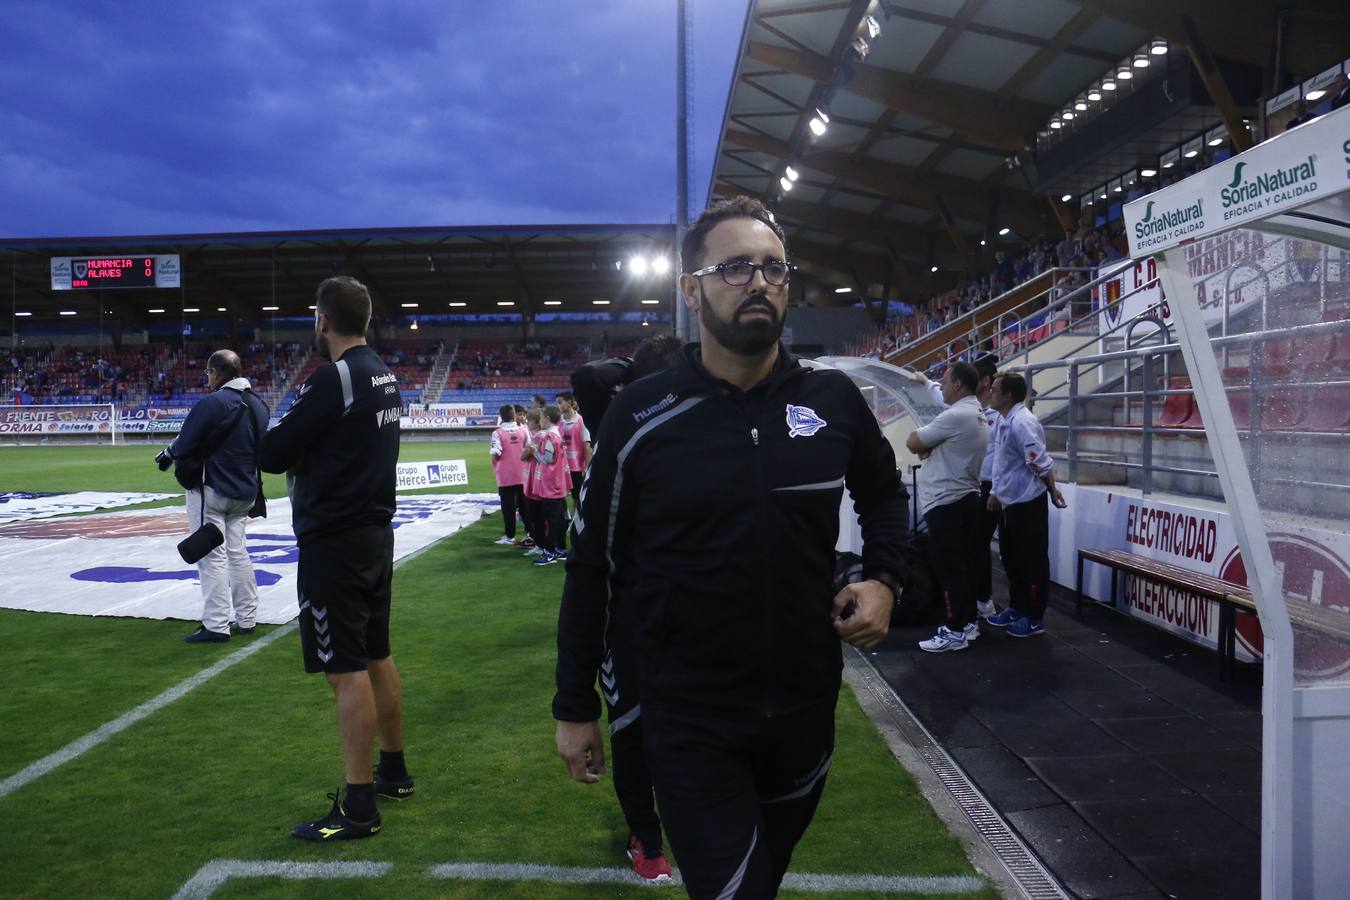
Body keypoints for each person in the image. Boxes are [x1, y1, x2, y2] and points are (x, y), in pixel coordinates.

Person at [553, 196, 907, 898]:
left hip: (805, 705)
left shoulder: (833, 401)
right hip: (688, 716)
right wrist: (574, 704)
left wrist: (885, 580)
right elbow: (592, 566)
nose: (759, 283)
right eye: (736, 267)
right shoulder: (641, 415)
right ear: (692, 289)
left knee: (762, 882)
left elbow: (885, 495)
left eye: (775, 269)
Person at [257, 276, 412, 842]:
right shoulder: (384, 374)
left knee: (343, 668)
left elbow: (273, 452)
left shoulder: (334, 379)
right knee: (376, 653)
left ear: (322, 320)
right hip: (374, 533)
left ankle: (359, 807)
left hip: (335, 541)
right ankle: (392, 770)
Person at [566, 332, 686, 883]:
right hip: (628, 612)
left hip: (687, 613)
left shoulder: (704, 426)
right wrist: (639, 372)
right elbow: (589, 376)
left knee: (680, 733)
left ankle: (675, 825)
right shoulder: (620, 419)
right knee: (632, 731)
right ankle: (646, 835)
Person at [160, 349, 268, 643]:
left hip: (213, 489)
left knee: (211, 557)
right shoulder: (259, 404)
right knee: (238, 553)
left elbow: (186, 442)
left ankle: (217, 624)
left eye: (208, 373)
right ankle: (247, 619)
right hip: (245, 492)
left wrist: (168, 454)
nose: (207, 378)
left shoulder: (213, 403)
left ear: (218, 372)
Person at [905, 361, 989, 653]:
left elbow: (913, 441)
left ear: (957, 385)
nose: (940, 384)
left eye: (944, 379)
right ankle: (967, 624)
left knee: (950, 570)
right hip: (964, 500)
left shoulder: (956, 416)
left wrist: (928, 445)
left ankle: (955, 629)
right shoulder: (973, 412)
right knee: (962, 568)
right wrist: (925, 382)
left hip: (947, 503)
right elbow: (937, 398)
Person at [984, 372, 1067, 638]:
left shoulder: (1023, 423)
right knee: (1011, 558)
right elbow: (1002, 462)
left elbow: (1039, 463)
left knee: (1032, 561)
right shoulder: (1003, 420)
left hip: (1028, 503)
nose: (990, 394)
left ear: (1008, 395)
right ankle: (1018, 607)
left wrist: (1053, 491)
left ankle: (1034, 616)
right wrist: (997, 492)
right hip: (1009, 503)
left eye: (995, 390)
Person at [523, 404, 569, 565]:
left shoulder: (550, 437)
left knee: (552, 520)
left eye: (541, 418)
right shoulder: (558, 435)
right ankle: (561, 549)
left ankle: (549, 553)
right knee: (560, 519)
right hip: (558, 483)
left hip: (551, 485)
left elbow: (547, 459)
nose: (540, 421)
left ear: (548, 419)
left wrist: (534, 451)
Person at [489, 403, 529, 545]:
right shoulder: (523, 430)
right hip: (522, 473)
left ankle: (510, 535)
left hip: (505, 475)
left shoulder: (497, 433)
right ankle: (530, 532)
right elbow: (530, 448)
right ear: (514, 416)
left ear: (501, 417)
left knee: (508, 507)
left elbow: (495, 452)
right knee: (524, 505)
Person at [554, 392, 591, 513]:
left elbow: (587, 445)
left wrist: (587, 467)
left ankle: (576, 520)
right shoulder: (558, 422)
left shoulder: (581, 421)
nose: (558, 405)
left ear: (569, 402)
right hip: (561, 466)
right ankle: (566, 518)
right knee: (560, 495)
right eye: (557, 403)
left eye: (560, 402)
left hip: (576, 467)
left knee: (576, 496)